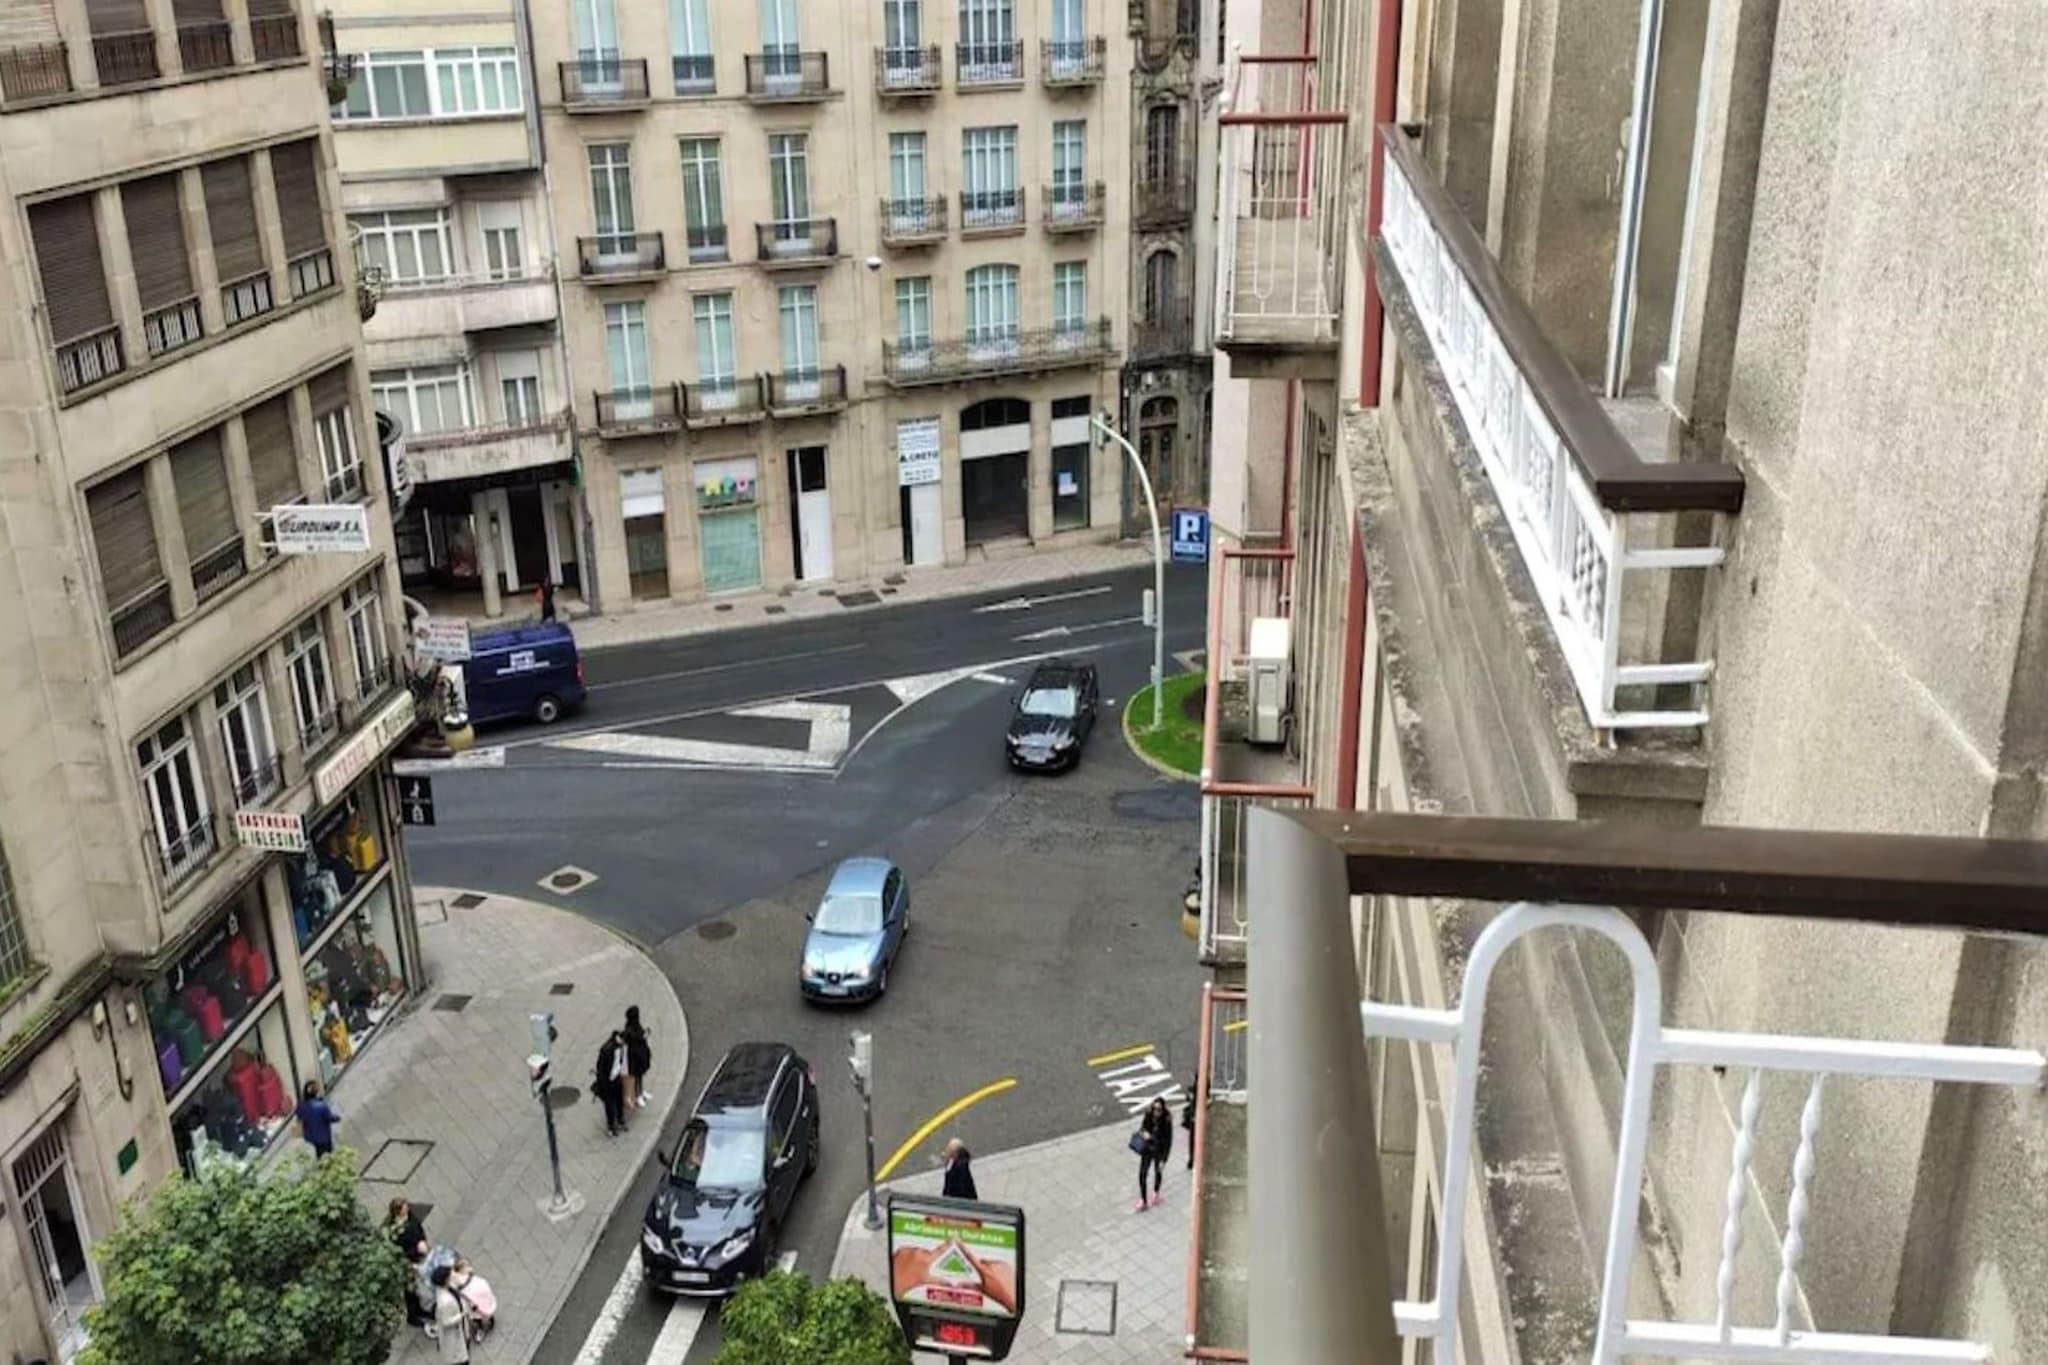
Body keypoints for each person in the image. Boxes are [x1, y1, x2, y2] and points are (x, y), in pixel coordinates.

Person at [387, 1198, 430, 1329]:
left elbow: (418, 1228)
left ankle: (419, 1309)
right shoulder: (395, 1230)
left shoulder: (410, 1216)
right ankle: (412, 1315)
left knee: (416, 1286)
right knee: (410, 1289)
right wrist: (416, 1249)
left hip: (418, 1255)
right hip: (408, 1261)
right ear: (398, 1211)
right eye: (404, 1207)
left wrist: (423, 1241)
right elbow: (399, 1250)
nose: (407, 1208)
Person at [1136, 1096, 1173, 1210]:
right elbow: (1142, 1128)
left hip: (1159, 1149)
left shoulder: (1166, 1120)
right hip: (1148, 1148)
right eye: (1154, 1109)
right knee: (1142, 1174)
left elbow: (1168, 1142)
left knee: (1158, 1171)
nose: (1156, 1112)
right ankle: (1143, 1200)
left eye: (1159, 1109)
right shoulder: (1148, 1115)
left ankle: (1155, 1193)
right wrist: (1144, 1133)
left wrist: (1164, 1160)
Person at [429, 1263, 471, 1363]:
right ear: (446, 1280)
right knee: (459, 1359)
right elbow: (446, 1321)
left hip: (459, 1330)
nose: (453, 1275)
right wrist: (462, 1314)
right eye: (450, 1275)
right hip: (454, 1336)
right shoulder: (445, 1302)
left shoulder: (445, 1289)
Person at [448, 1257, 497, 1341]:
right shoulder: (475, 1280)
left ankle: (481, 1327)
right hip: (478, 1296)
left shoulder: (459, 1280)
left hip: (474, 1298)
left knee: (478, 1313)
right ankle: (487, 1320)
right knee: (482, 1310)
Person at [594, 1030, 627, 1136]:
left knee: (619, 1101)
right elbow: (600, 1068)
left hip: (617, 1078)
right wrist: (603, 1083)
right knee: (610, 1105)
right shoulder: (606, 1050)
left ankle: (620, 1120)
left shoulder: (621, 1047)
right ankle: (611, 1127)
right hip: (608, 1082)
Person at [295, 1080, 339, 1159]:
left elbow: (299, 1116)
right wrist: (337, 1118)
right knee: (327, 1156)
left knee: (319, 1154)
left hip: (310, 1137)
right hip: (323, 1137)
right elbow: (329, 1118)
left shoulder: (302, 1106)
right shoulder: (322, 1105)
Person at [622, 1005, 652, 1110]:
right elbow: (635, 1040)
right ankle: (637, 1096)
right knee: (637, 1077)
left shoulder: (635, 1026)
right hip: (635, 1058)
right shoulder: (629, 1029)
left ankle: (641, 1092)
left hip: (640, 1056)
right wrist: (644, 1036)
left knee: (641, 1076)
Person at [1181, 1085, 1197, 1170]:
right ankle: (1191, 1159)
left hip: (1194, 1120)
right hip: (1193, 1120)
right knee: (1192, 1141)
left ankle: (1192, 1159)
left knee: (1193, 1141)